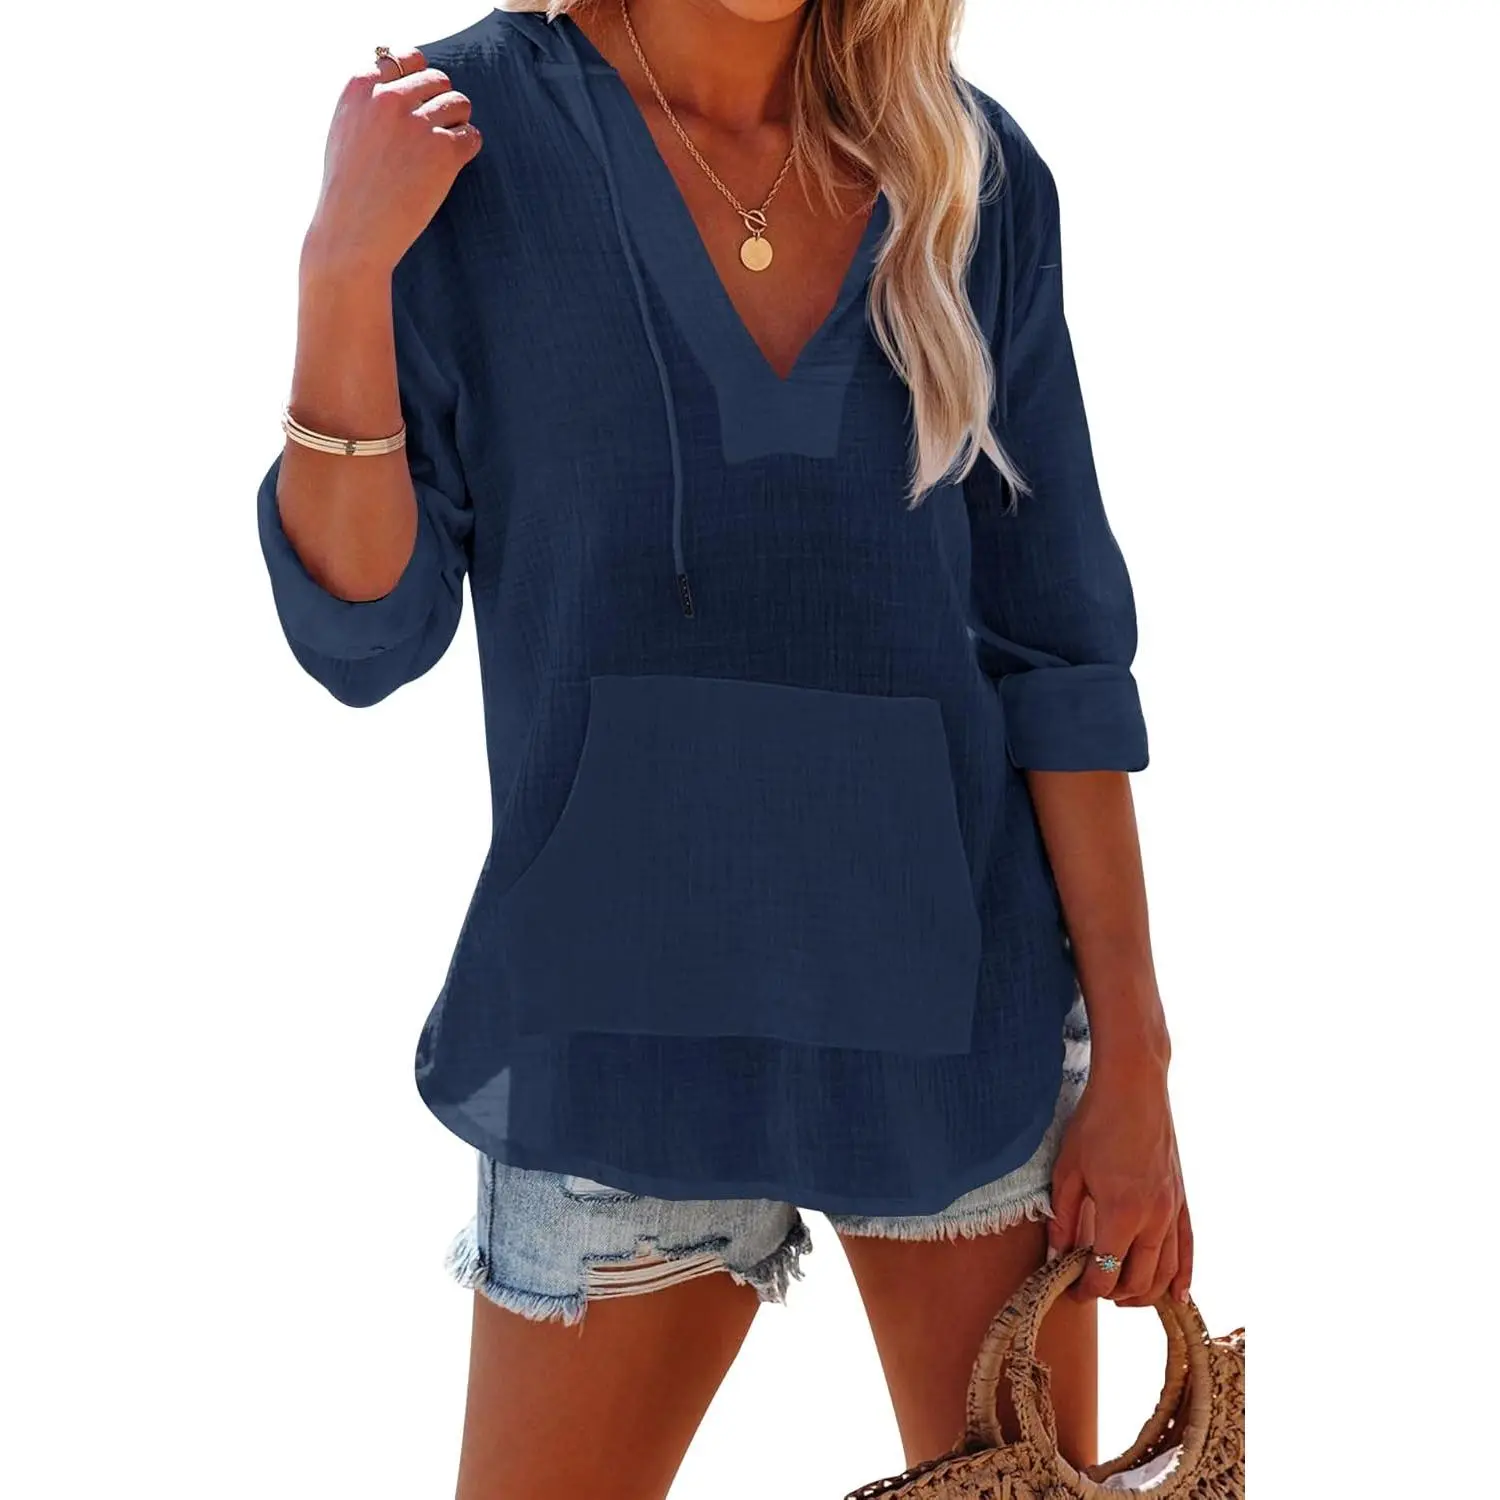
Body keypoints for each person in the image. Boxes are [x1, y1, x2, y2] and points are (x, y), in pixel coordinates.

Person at [255, 2, 1191, 1494]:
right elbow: (364, 634)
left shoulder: (968, 172)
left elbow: (1059, 655)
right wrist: (342, 267)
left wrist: (1136, 1058)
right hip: (612, 1046)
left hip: (961, 1040)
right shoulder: (461, 137)